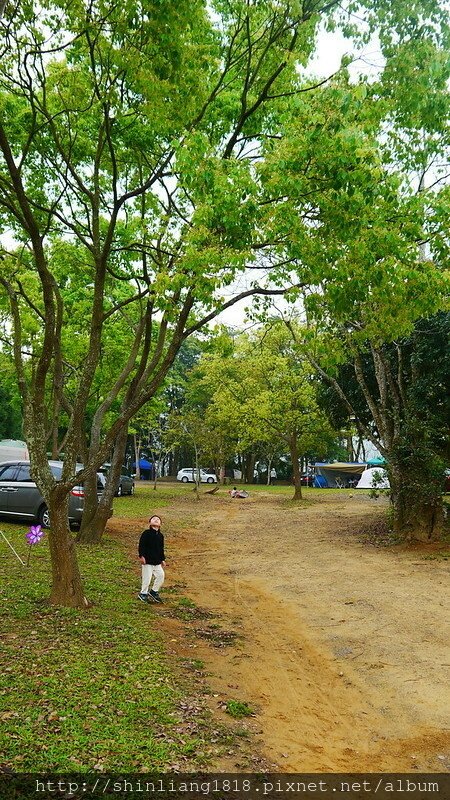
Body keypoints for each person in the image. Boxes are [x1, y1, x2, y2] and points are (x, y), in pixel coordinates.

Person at [138, 514, 166, 603]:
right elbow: (141, 545)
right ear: (150, 523)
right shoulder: (146, 533)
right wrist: (142, 556)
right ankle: (143, 593)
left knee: (161, 576)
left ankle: (154, 591)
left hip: (157, 562)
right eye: (153, 519)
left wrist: (162, 559)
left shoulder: (161, 536)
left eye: (158, 519)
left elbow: (161, 548)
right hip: (147, 561)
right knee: (147, 578)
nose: (156, 520)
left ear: (160, 524)